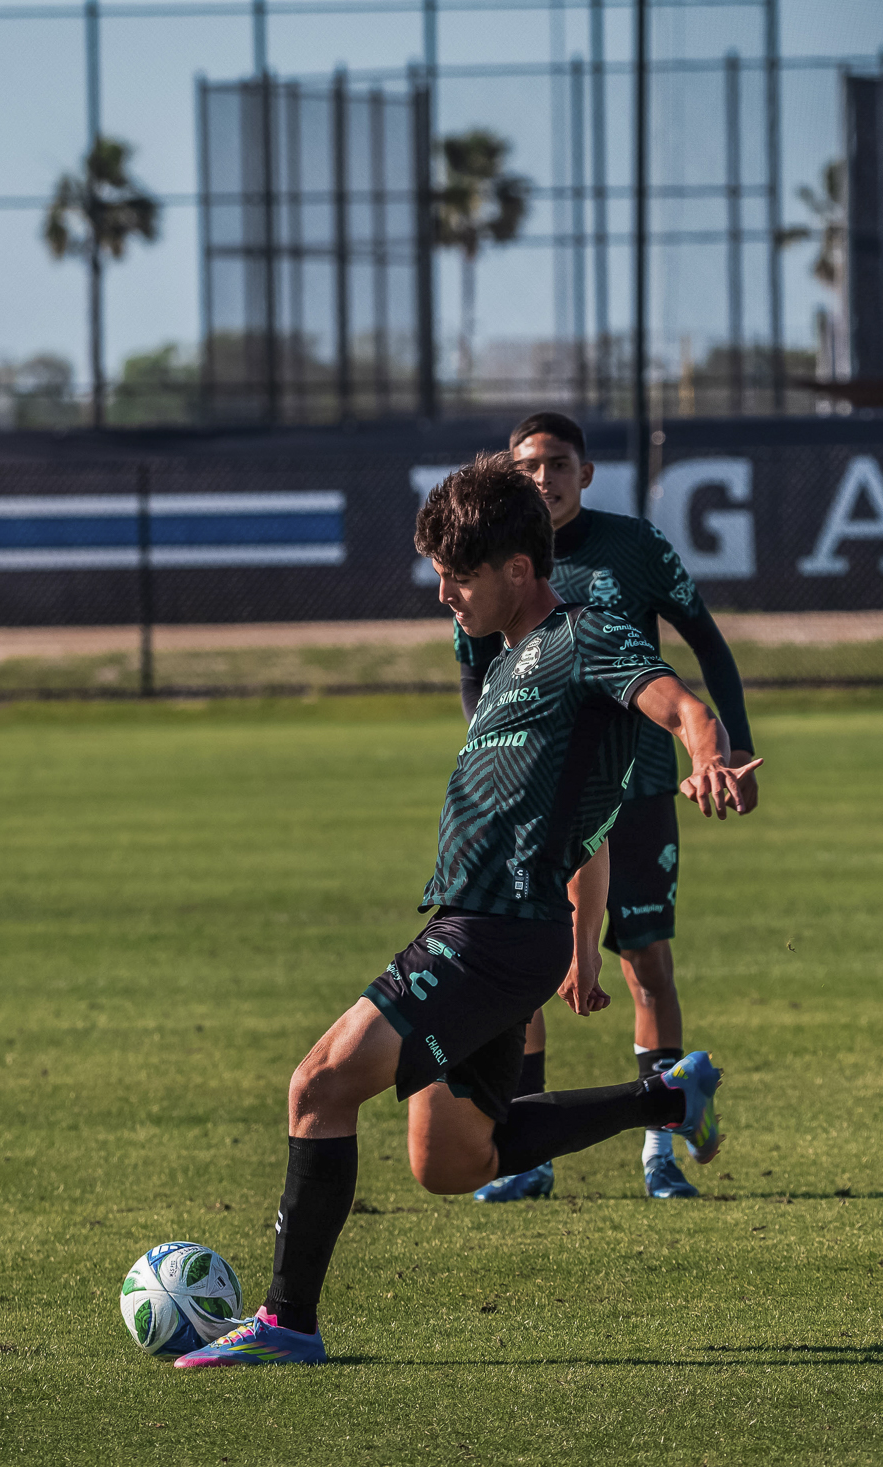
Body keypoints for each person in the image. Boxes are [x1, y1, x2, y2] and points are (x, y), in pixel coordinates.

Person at [173, 454, 759, 1370]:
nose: (444, 592)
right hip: (494, 932)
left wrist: (707, 755)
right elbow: (578, 816)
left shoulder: (582, 640)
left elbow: (679, 702)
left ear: (518, 573)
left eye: (459, 576)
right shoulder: (502, 657)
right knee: (453, 1163)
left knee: (318, 1087)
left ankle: (287, 1320)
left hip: (488, 933)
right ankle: (667, 1096)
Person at [457, 411, 758, 1201]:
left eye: (558, 463)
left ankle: (661, 1147)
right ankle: (527, 1154)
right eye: (527, 466)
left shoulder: (636, 547)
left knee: (646, 962)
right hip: (540, 803)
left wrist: (726, 748)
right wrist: (492, 766)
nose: (543, 478)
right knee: (522, 966)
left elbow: (706, 646)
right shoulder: (497, 565)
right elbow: (473, 675)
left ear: (586, 473)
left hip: (642, 785)